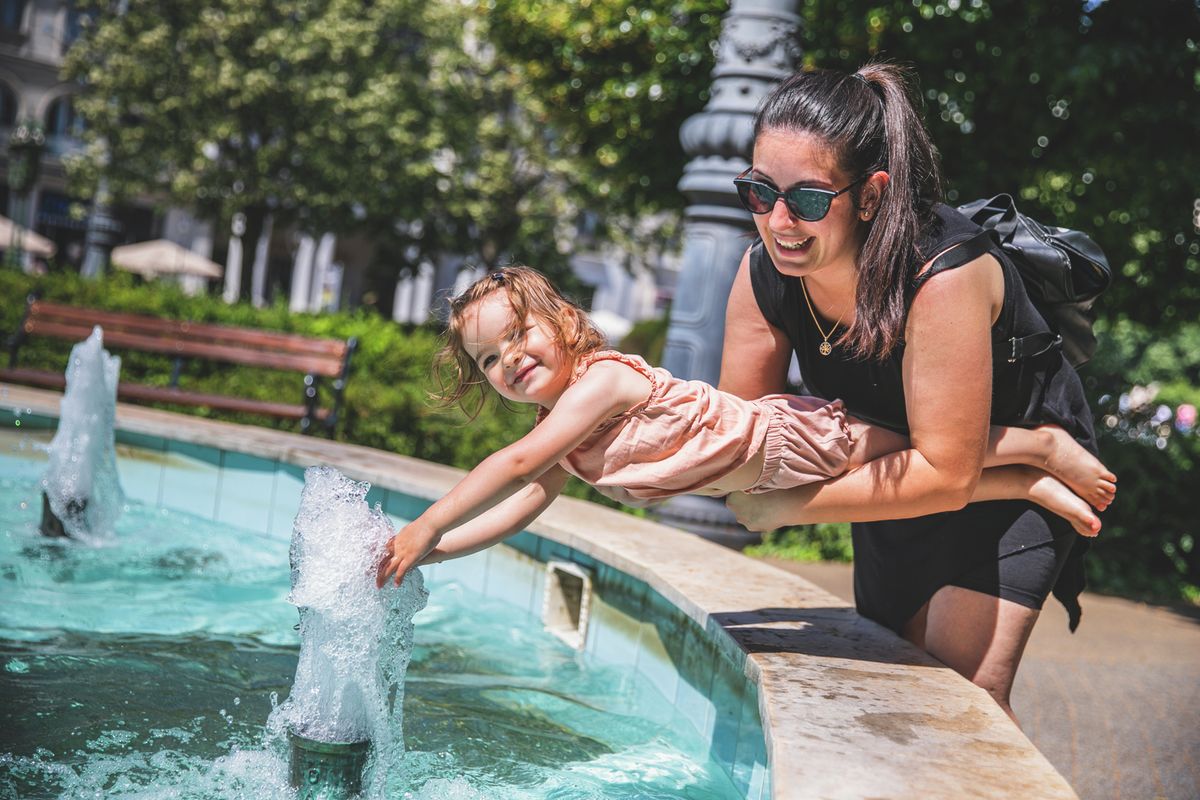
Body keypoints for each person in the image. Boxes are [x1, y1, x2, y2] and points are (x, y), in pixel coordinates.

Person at [375, 268, 1113, 626]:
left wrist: (425, 522)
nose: (507, 359)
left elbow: (510, 469)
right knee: (759, 517)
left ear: (563, 320)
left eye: (517, 334)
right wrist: (436, 552)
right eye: (487, 359)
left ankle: (1039, 445)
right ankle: (1022, 484)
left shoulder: (597, 382)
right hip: (761, 481)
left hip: (788, 434)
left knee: (933, 450)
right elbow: (520, 507)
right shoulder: (557, 436)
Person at [717, 62, 1114, 720]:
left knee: (963, 700)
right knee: (896, 688)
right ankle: (1029, 458)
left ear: (871, 196)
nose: (779, 220)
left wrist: (784, 510)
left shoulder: (942, 273)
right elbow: (746, 446)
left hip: (971, 491)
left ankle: (1037, 450)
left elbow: (947, 472)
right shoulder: (763, 276)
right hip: (908, 471)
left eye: (809, 200)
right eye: (759, 192)